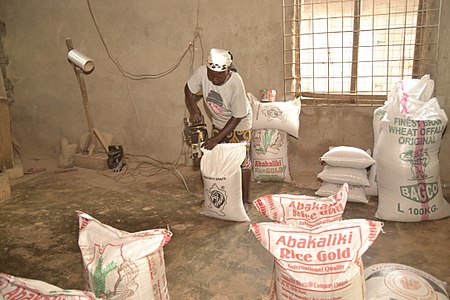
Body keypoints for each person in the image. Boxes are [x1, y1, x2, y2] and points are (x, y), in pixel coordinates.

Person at [184, 48, 253, 211]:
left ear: (228, 71)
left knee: (242, 161)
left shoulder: (235, 82)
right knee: (215, 161)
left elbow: (237, 117)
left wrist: (216, 138)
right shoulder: (202, 72)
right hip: (219, 122)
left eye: (218, 76)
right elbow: (188, 89)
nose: (214, 79)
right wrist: (194, 108)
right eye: (211, 74)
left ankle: (245, 200)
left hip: (240, 124)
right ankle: (215, 197)